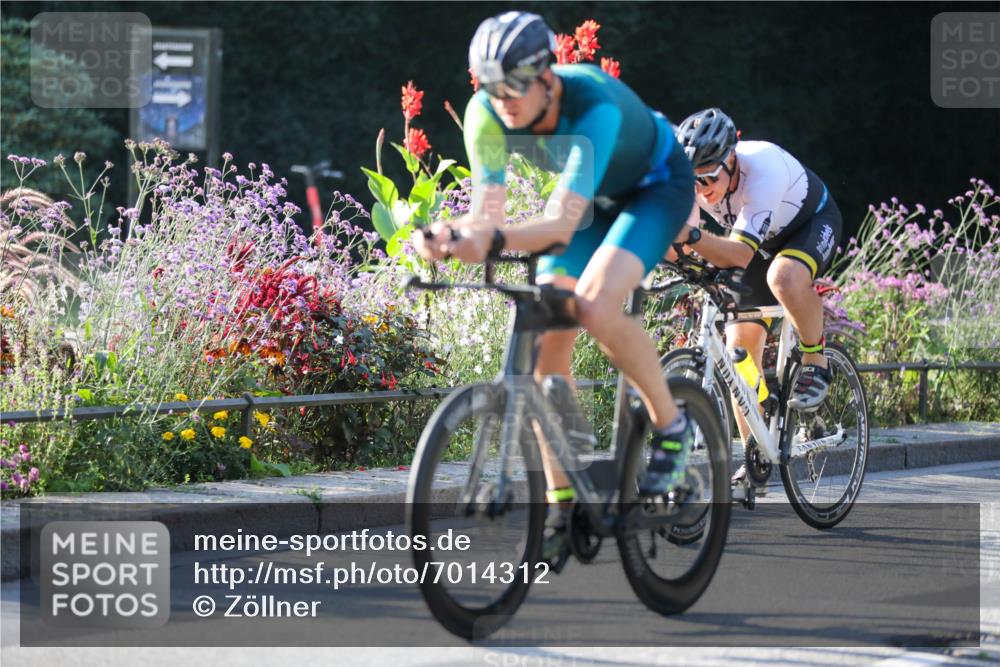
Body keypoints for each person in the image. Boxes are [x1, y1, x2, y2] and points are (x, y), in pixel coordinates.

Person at [412, 11, 695, 565]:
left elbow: (558, 226)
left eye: (515, 84)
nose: (504, 100)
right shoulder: (485, 116)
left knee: (593, 303)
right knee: (546, 348)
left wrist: (488, 239)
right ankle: (564, 502)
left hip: (654, 188)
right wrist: (446, 236)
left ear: (548, 76)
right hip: (588, 203)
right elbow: (486, 213)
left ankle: (672, 426)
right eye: (491, 86)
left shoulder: (592, 104)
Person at [671, 108, 843, 478]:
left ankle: (816, 360)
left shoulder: (761, 169)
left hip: (808, 226)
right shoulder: (692, 182)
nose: (702, 190)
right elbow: (680, 241)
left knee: (783, 277)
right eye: (693, 181)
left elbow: (734, 253)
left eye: (709, 178)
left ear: (730, 159)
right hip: (753, 242)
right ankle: (757, 452)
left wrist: (694, 239)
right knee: (739, 353)